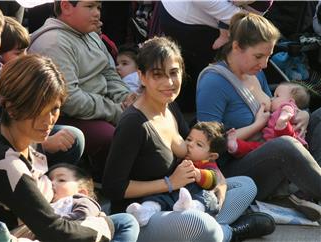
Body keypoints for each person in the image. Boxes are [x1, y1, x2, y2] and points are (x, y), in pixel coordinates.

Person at [103, 36, 275, 242]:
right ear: (142, 77)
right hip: (144, 213)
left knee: (245, 185)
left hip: (182, 198)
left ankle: (217, 230)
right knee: (202, 227)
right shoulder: (133, 124)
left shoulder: (169, 106)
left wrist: (218, 181)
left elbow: (197, 153)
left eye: (174, 73)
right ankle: (230, 232)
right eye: (157, 75)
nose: (169, 82)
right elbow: (113, 187)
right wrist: (168, 183)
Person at [0, 54, 139, 242]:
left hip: (23, 226)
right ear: (12, 108)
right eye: (39, 111)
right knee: (121, 223)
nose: (48, 121)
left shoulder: (14, 134)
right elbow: (54, 231)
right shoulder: (4, 163)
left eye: (54, 109)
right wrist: (102, 226)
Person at [196, 12, 321, 221]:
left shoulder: (255, 72)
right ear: (236, 47)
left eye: (268, 56)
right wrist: (256, 125)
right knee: (285, 145)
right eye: (258, 56)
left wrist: (302, 115)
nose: (264, 64)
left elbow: (277, 108)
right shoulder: (213, 83)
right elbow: (207, 143)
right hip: (237, 168)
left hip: (266, 148)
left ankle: (309, 190)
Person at [0, 0, 84, 167]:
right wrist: (40, 143)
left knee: (72, 138)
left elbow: (21, 107)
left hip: (7, 136)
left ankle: (49, 178)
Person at [28, 0, 137, 181]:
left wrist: (127, 97)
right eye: (89, 7)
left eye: (99, 7)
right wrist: (116, 111)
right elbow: (69, 100)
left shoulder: (90, 34)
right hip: (66, 116)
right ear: (66, 6)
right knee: (114, 136)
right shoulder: (53, 43)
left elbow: (109, 73)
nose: (97, 13)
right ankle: (107, 181)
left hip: (101, 107)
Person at [0, 163, 139, 242]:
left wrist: (58, 224)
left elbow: (85, 216)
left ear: (82, 192)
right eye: (49, 180)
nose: (52, 183)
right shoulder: (43, 205)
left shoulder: (78, 199)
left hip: (75, 233)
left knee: (126, 220)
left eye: (61, 179)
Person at [126, 121, 227, 227]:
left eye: (199, 144)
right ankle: (144, 211)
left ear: (211, 156)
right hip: (174, 194)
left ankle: (191, 207)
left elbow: (213, 179)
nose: (190, 144)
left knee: (209, 198)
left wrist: (197, 174)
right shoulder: (181, 157)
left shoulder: (207, 164)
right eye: (189, 139)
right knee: (157, 196)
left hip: (194, 196)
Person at [228, 82, 310, 158]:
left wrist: (284, 117)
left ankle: (283, 126)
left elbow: (288, 110)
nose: (271, 99)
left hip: (289, 138)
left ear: (291, 101)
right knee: (254, 147)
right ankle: (236, 146)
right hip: (271, 142)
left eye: (277, 96)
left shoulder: (288, 106)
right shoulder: (275, 112)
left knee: (286, 138)